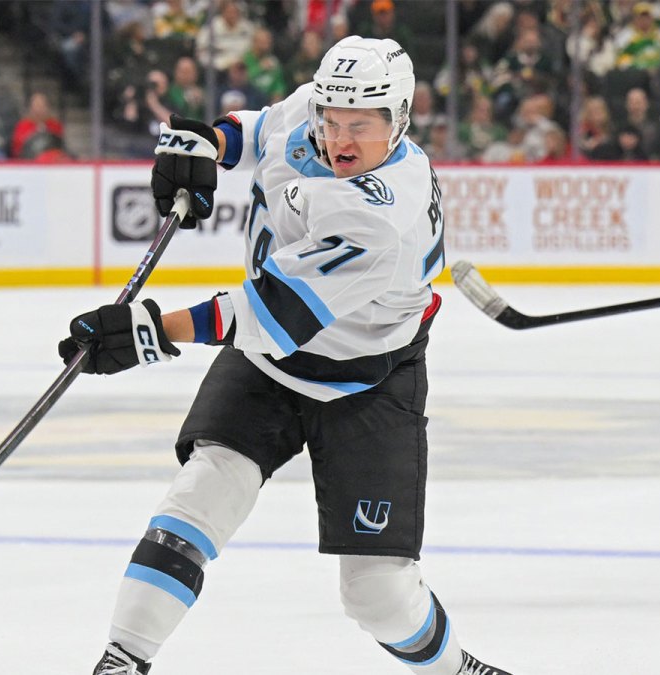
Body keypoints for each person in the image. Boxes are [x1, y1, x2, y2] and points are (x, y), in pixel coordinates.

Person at [60, 36, 513, 675]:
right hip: (267, 366)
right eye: (331, 121)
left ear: (400, 121)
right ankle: (122, 660)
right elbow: (255, 132)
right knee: (197, 499)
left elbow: (268, 312)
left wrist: (151, 329)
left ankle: (453, 669)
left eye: (361, 126)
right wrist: (205, 145)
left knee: (377, 596)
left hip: (368, 379)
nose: (339, 139)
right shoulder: (314, 111)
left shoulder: (383, 216)